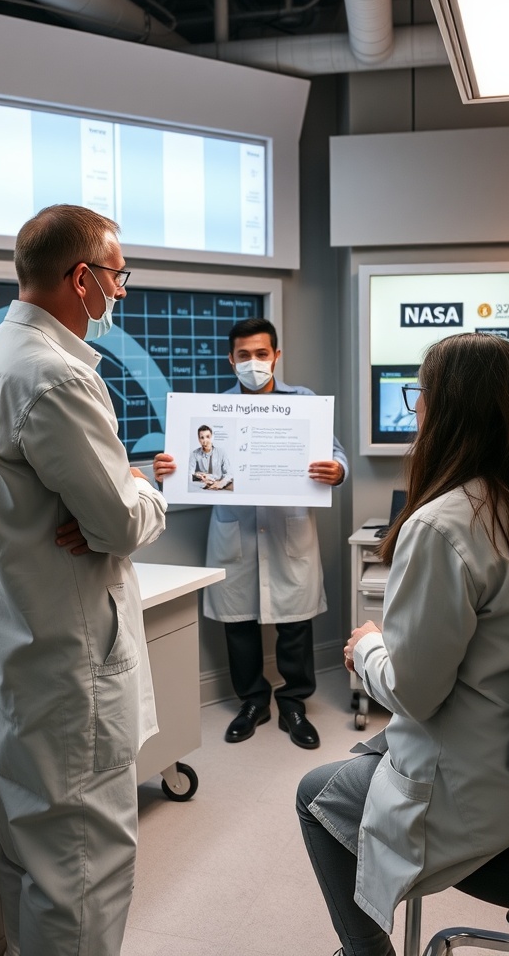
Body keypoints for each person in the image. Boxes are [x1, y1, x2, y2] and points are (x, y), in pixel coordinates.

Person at [296, 332, 509, 956]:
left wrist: (369, 649)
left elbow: (415, 692)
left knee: (315, 793)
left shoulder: (444, 524)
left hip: (491, 793)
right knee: (367, 755)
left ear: (444, 410)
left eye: (420, 397)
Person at [0, 204, 168, 956]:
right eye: (117, 277)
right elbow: (119, 523)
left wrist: (103, 504)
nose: (120, 293)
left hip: (11, 656)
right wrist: (143, 486)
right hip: (64, 674)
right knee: (81, 879)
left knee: (27, 860)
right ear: (81, 277)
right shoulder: (55, 378)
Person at [154, 316, 348, 749]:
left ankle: (294, 704)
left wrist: (337, 470)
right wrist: (168, 470)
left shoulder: (304, 402)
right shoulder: (212, 411)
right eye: (244, 356)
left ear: (277, 356)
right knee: (238, 627)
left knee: (295, 625)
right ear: (231, 360)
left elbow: (335, 454)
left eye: (262, 354)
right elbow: (187, 467)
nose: (254, 363)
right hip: (235, 535)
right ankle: (253, 702)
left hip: (288, 531)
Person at [189, 423, 232, 490]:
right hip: (203, 487)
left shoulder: (221, 452)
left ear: (212, 437)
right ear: (199, 439)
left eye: (208, 437)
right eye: (202, 438)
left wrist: (221, 483)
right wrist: (199, 477)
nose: (205, 440)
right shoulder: (194, 454)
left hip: (221, 486)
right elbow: (189, 475)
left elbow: (229, 473)